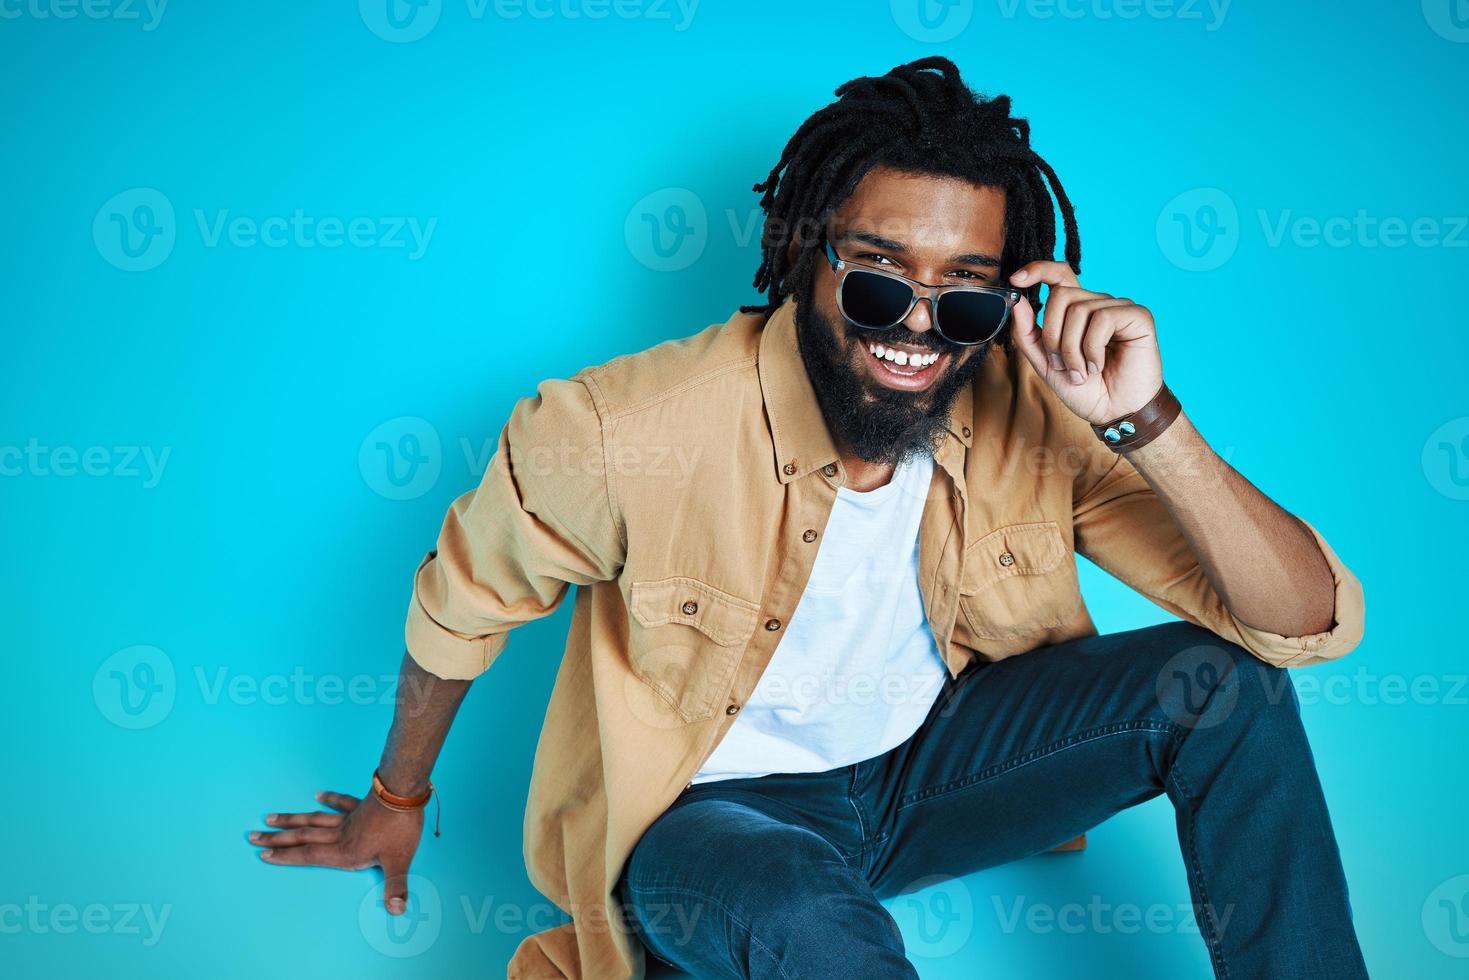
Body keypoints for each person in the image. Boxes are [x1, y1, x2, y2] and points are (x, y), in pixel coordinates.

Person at [249, 57, 1367, 979]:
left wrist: (1147, 421)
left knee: (1226, 691)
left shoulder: (1027, 403)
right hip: (716, 826)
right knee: (806, 915)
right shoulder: (615, 428)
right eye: (877, 278)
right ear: (800, 250)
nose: (916, 331)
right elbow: (459, 603)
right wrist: (395, 798)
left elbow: (1298, 621)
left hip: (926, 776)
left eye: (964, 296)